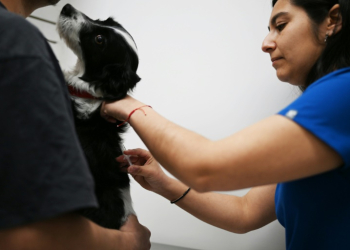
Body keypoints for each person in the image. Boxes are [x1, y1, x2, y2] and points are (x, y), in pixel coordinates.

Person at [101, 0, 350, 249]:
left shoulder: (343, 92)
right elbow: (246, 212)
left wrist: (130, 107)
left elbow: (205, 166)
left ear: (333, 20)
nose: (266, 43)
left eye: (281, 25)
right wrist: (164, 183)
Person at [0, 0, 151, 249]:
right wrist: (129, 243)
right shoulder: (15, 38)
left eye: (100, 39)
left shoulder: (17, 40)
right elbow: (39, 233)